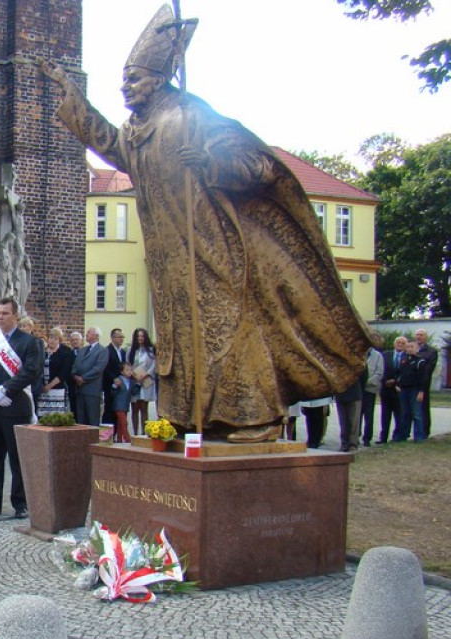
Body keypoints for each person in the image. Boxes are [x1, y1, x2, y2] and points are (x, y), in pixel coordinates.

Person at [42, 7, 372, 442]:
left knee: (226, 333)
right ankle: (189, 419)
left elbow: (260, 165)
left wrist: (213, 162)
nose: (126, 87)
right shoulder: (139, 129)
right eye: (124, 79)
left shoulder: (192, 114)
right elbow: (111, 144)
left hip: (211, 247)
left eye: (134, 78)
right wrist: (74, 99)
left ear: (160, 80)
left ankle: (254, 419)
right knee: (181, 342)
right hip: (169, 258)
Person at [0, 297, 44, 519]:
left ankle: (20, 503)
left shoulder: (29, 342)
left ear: (15, 315)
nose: (0, 317)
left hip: (16, 406)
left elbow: (32, 371)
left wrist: (5, 390)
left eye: (5, 313)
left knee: (17, 458)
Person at [72, 327, 108, 427]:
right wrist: (75, 376)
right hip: (80, 389)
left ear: (96, 336)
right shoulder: (82, 350)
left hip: (92, 390)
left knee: (92, 419)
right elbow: (75, 365)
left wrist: (83, 378)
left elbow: (98, 369)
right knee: (80, 420)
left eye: (89, 332)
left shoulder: (102, 351)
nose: (86, 334)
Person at [102, 328, 132, 442]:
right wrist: (114, 379)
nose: (122, 339)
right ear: (113, 337)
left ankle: (116, 437)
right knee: (109, 411)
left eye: (123, 337)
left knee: (118, 413)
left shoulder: (123, 352)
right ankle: (106, 437)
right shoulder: (107, 350)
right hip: (110, 385)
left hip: (121, 388)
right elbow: (105, 367)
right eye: (120, 337)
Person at [395, 340, 427, 442]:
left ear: (416, 349)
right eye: (407, 347)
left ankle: (419, 436)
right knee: (404, 413)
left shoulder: (420, 361)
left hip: (415, 390)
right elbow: (399, 374)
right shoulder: (403, 360)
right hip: (403, 390)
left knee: (416, 414)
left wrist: (421, 392)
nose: (409, 349)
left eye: (411, 347)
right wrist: (398, 384)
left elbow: (423, 378)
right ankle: (403, 435)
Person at [128, 328, 157, 435]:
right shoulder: (131, 350)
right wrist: (134, 375)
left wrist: (147, 374)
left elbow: (154, 364)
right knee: (134, 409)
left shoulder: (150, 350)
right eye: (138, 336)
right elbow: (128, 365)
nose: (140, 338)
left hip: (146, 381)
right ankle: (135, 434)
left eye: (142, 336)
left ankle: (145, 434)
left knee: (144, 409)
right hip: (134, 381)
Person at [38, 327, 73, 416]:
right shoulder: (43, 351)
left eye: (55, 339)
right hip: (42, 389)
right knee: (42, 416)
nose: (52, 340)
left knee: (55, 416)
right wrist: (42, 385)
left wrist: (49, 386)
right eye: (51, 338)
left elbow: (63, 373)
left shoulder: (65, 352)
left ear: (59, 340)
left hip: (57, 389)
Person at [378, 336, 406, 444]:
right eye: (398, 342)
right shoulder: (386, 355)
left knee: (399, 414)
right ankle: (383, 437)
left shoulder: (407, 357)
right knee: (385, 415)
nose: (400, 344)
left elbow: (406, 373)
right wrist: (385, 381)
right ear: (394, 344)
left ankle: (397, 436)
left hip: (399, 390)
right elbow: (381, 369)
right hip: (386, 389)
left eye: (402, 343)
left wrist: (395, 382)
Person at [360, 334, 385, 448]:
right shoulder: (358, 353)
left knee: (368, 415)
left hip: (370, 389)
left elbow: (379, 373)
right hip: (358, 390)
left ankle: (367, 438)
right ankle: (356, 436)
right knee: (357, 415)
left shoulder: (378, 355)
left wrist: (366, 382)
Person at [334, 364, 365, 453]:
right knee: (343, 421)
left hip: (354, 394)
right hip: (340, 394)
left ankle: (353, 444)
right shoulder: (337, 362)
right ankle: (344, 443)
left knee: (354, 421)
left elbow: (363, 377)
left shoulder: (356, 361)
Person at [414, 329, 437, 439]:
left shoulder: (431, 351)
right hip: (410, 384)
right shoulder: (412, 348)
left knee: (423, 408)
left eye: (421, 335)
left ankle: (425, 431)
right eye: (417, 335)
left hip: (423, 384)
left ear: (425, 337)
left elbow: (428, 369)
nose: (419, 337)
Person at [66, 330, 85, 420]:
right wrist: (74, 378)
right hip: (72, 385)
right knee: (74, 409)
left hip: (85, 384)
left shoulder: (86, 353)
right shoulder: (67, 354)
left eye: (76, 339)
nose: (74, 341)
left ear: (81, 341)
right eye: (72, 340)